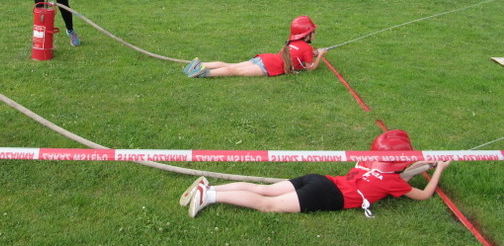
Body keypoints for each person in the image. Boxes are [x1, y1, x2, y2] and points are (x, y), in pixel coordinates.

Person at [182, 129, 451, 218]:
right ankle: (210, 195)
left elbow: (397, 174)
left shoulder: (369, 163)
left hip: (319, 179)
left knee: (264, 189)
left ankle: (211, 187)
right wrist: (439, 168)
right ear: (400, 162)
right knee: (269, 205)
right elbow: (425, 194)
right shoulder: (394, 182)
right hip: (327, 194)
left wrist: (421, 165)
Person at [184, 16, 326, 78]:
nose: (315, 33)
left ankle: (198, 64)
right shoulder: (306, 49)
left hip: (265, 58)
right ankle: (202, 73)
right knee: (235, 71)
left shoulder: (292, 42)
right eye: (313, 31)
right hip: (268, 67)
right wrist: (320, 54)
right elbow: (310, 68)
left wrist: (313, 53)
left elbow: (298, 58)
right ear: (307, 35)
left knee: (232, 65)